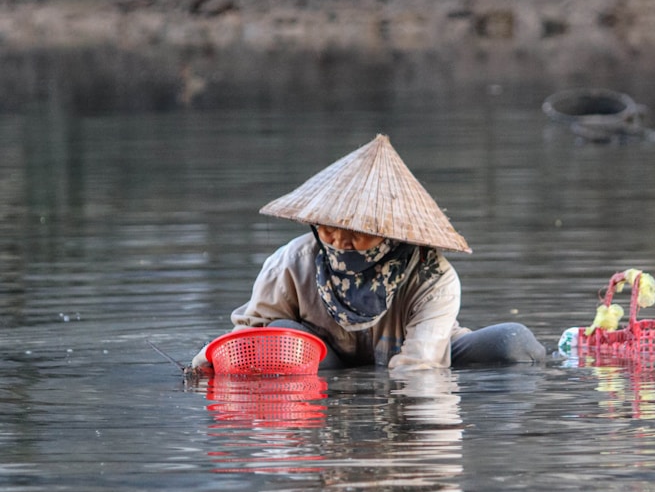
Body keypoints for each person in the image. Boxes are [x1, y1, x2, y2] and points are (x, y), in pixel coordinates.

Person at [191, 134, 546, 374]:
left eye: (359, 234)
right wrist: (205, 364)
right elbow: (247, 336)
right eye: (329, 228)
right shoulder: (292, 262)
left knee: (511, 343)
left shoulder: (432, 275)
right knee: (279, 333)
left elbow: (420, 368)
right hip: (321, 360)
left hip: (422, 355)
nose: (340, 242)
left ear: (392, 236)